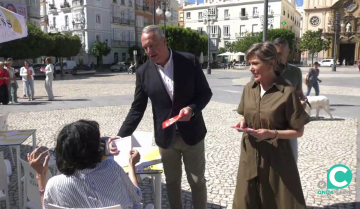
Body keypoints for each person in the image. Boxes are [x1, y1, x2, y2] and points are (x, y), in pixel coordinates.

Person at [116, 25, 212, 209]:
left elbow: (205, 93)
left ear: (165, 41)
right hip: (166, 138)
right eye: (145, 47)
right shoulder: (143, 72)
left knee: (197, 181)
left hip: (192, 134)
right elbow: (137, 108)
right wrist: (120, 137)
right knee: (172, 182)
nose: (149, 51)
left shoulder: (188, 61)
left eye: (152, 45)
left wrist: (192, 109)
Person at [233, 42, 310, 209]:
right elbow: (245, 115)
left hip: (277, 159)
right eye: (249, 64)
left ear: (270, 63)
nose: (251, 68)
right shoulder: (249, 88)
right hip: (250, 156)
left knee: (276, 202)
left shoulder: (287, 92)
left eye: (255, 63)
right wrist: (243, 122)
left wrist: (271, 133)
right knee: (247, 200)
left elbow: (298, 131)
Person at [27, 120, 143, 209]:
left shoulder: (54, 185)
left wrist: (41, 176)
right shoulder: (111, 167)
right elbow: (137, 197)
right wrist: (131, 165)